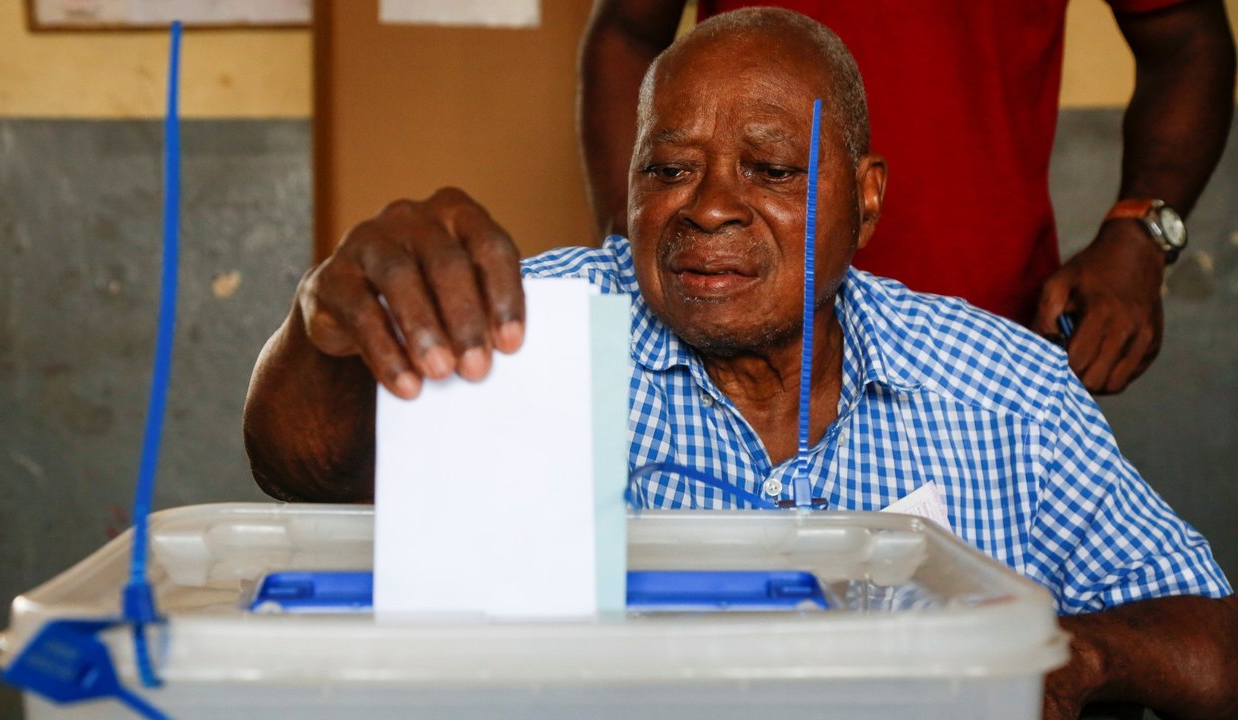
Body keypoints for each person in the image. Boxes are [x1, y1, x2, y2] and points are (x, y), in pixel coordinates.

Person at [243, 9, 1236, 719]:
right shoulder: (525, 332)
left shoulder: (1000, 383)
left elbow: (1208, 642)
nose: (707, 206)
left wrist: (1080, 656)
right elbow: (303, 464)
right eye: (667, 169)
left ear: (867, 197)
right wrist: (322, 319)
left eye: (770, 169)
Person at [578, 0, 1237, 395]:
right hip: (727, 342)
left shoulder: (1026, 404)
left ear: (871, 191)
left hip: (992, 323)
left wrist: (1141, 232)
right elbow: (626, 33)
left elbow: (1187, 38)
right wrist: (636, 256)